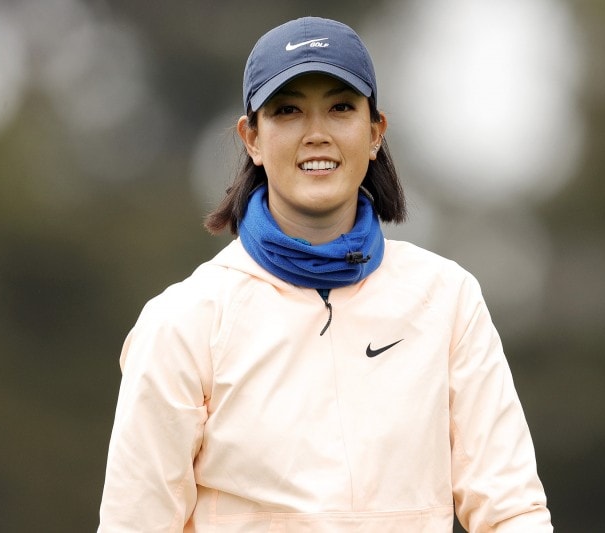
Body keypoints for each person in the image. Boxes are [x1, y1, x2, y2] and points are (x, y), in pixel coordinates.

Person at [98, 16, 552, 532]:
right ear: (252, 138)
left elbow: (511, 509)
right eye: (287, 111)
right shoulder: (183, 322)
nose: (316, 134)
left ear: (375, 132)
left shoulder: (447, 300)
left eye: (340, 108)